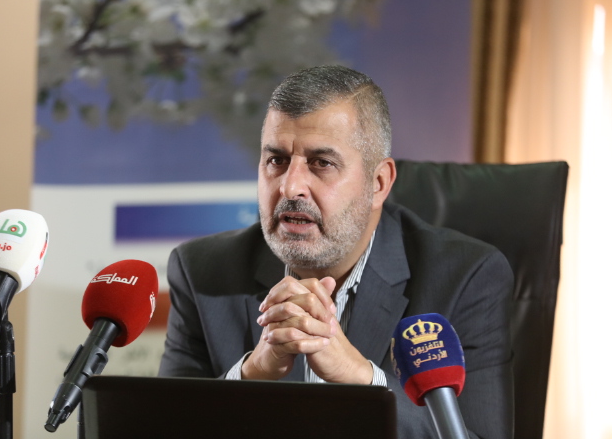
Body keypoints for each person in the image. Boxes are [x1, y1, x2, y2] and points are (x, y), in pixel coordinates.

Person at [158, 65, 514, 438]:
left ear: (378, 183)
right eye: (277, 160)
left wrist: (361, 379)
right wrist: (251, 376)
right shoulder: (203, 273)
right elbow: (161, 428)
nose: (290, 187)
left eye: (321, 163)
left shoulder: (465, 277)